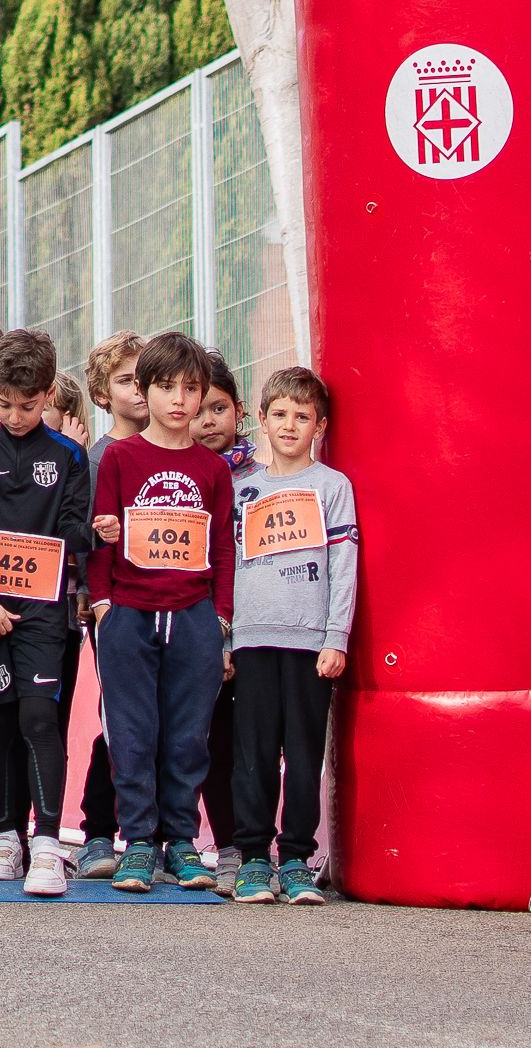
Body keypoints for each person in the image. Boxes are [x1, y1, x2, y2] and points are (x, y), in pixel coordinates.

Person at [0, 327, 93, 894]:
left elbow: (74, 527)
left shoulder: (69, 456)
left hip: (44, 614)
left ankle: (49, 843)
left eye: (27, 406)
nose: (14, 415)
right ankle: (5, 835)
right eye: (3, 404)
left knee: (38, 719)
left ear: (49, 394)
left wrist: (95, 533)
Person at [86, 329, 237, 894]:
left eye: (190, 388)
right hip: (128, 612)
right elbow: (101, 535)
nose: (179, 400)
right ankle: (138, 843)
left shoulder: (213, 469)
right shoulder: (120, 458)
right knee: (130, 733)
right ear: (143, 392)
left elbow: (223, 546)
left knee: (187, 737)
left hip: (194, 615)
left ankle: (181, 843)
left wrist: (219, 617)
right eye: (166, 387)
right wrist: (103, 604)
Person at [228, 366, 356, 907]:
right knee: (253, 752)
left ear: (319, 426)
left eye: (302, 417)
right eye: (279, 414)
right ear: (260, 419)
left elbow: (344, 564)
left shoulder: (333, 487)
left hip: (310, 644)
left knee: (303, 755)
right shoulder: (241, 487)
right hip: (251, 640)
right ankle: (254, 857)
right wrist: (225, 639)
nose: (289, 425)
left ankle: (299, 858)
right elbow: (226, 564)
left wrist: (337, 636)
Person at [73, 327, 147, 878]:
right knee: (118, 716)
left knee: (167, 721)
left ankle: (166, 835)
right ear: (103, 396)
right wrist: (85, 593)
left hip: (175, 603)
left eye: (146, 376)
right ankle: (98, 829)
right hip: (114, 606)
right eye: (125, 380)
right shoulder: (98, 459)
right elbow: (85, 537)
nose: (139, 389)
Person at [193, 347, 254, 890]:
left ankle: (260, 844)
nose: (207, 420)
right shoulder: (182, 475)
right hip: (204, 625)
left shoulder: (263, 475)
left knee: (253, 740)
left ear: (239, 410)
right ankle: (227, 844)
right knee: (209, 738)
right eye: (198, 409)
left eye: (218, 408)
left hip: (261, 628)